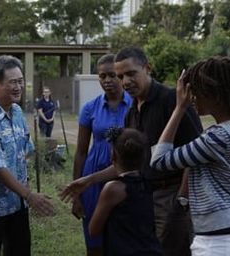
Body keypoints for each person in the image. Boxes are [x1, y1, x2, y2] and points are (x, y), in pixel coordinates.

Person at [60, 46, 203, 256]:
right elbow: (126, 164)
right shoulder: (131, 113)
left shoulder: (173, 101)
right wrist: (88, 180)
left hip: (171, 198)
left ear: (147, 68)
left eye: (130, 73)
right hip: (143, 199)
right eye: (120, 76)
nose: (125, 81)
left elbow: (196, 154)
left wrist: (181, 202)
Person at [0, 55, 54, 256]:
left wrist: (26, 193)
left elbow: (24, 153)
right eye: (12, 82)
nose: (18, 87)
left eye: (20, 81)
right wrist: (30, 196)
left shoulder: (16, 111)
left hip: (17, 204)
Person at [150, 57, 230, 255]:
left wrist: (179, 109)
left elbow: (159, 160)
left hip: (217, 240)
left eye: (196, 90)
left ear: (215, 95)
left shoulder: (217, 138)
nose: (191, 96)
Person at [72, 53, 132, 255]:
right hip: (93, 180)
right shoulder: (90, 108)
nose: (107, 81)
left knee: (124, 237)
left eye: (112, 75)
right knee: (94, 238)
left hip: (126, 180)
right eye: (102, 76)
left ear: (121, 76)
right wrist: (76, 194)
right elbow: (80, 152)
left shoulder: (135, 105)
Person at [90, 127, 162, 256]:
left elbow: (93, 230)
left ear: (113, 155)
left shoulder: (113, 189)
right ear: (144, 157)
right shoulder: (148, 184)